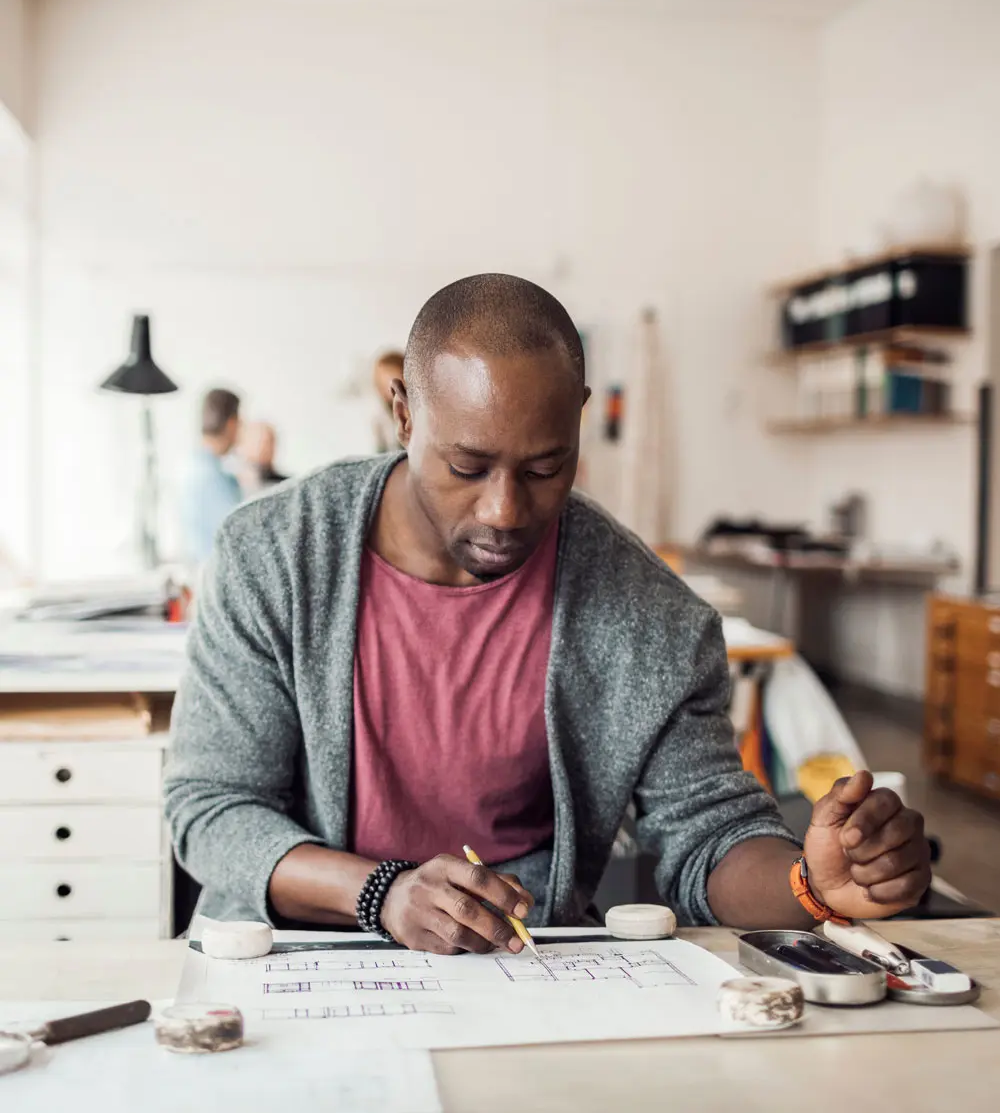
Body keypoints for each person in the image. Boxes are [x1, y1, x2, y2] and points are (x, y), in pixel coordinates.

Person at [165, 274, 931, 955]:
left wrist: (813, 883)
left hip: (525, 966)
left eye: (544, 467)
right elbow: (212, 808)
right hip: (291, 957)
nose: (504, 510)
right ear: (402, 412)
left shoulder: (648, 616)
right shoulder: (272, 555)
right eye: (467, 466)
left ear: (579, 421)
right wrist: (383, 892)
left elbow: (708, 838)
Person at [179, 388, 242, 566]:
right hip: (214, 575)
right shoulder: (211, 477)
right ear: (231, 424)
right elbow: (239, 534)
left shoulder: (193, 466)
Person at [235, 420, 288, 496]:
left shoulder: (287, 485)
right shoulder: (232, 484)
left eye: (268, 442)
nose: (263, 448)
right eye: (257, 443)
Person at [371, 350, 404, 453]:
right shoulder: (380, 419)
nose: (388, 385)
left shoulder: (420, 410)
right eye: (382, 380)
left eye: (391, 376)